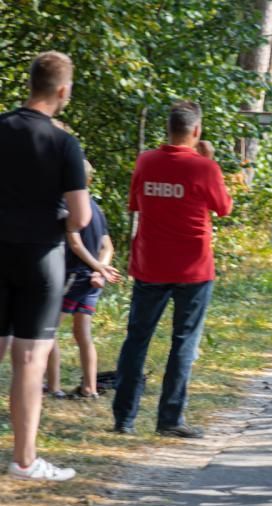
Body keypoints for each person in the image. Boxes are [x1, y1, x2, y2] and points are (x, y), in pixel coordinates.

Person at [111, 101, 232, 438]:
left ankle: (124, 419)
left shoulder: (146, 161)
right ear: (196, 131)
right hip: (193, 269)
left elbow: (135, 203)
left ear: (169, 129)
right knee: (183, 343)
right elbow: (224, 207)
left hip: (150, 265)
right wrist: (208, 162)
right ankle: (169, 419)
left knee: (137, 339)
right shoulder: (204, 168)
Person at [1, 51, 90, 481]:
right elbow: (82, 216)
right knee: (30, 357)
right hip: (40, 255)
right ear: (63, 91)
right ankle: (23, 460)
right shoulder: (63, 142)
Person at [46, 160, 122, 400]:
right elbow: (107, 246)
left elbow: (75, 244)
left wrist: (97, 268)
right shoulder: (96, 208)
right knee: (83, 333)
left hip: (75, 277)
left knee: (48, 331)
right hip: (92, 280)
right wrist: (100, 270)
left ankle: (54, 386)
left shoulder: (70, 207)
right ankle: (90, 388)